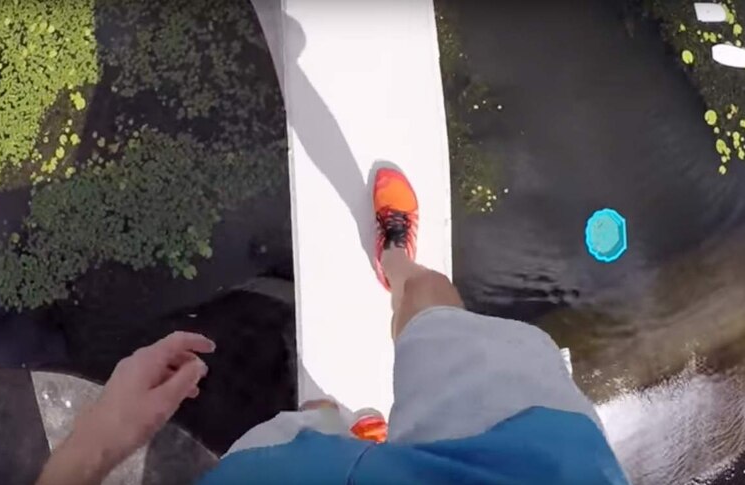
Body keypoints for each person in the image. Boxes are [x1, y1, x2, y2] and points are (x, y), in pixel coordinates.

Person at [37, 168, 628, 484]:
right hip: (532, 468)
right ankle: (394, 258)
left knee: (311, 424)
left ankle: (360, 440)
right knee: (432, 305)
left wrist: (104, 436)